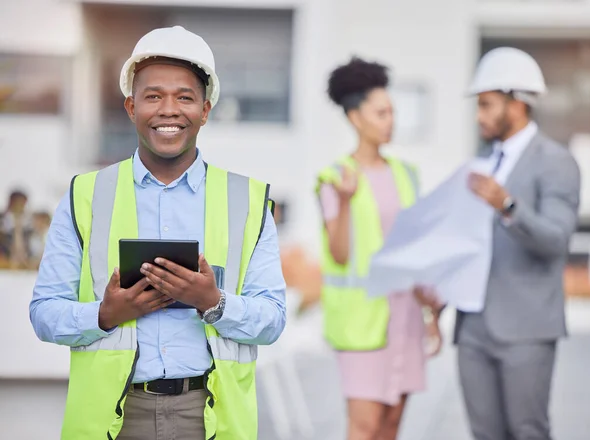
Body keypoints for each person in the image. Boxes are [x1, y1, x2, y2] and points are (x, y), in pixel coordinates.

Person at [29, 26, 286, 440]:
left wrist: (212, 302)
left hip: (209, 417)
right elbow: (44, 313)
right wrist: (105, 314)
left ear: (205, 110)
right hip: (113, 419)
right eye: (153, 96)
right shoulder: (85, 195)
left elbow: (273, 320)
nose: (169, 110)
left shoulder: (249, 201)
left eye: (185, 97)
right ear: (131, 107)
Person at [455, 47, 581, 440]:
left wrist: (507, 205)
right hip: (473, 328)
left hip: (525, 331)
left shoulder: (555, 161)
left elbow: (557, 239)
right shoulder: (483, 161)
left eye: (487, 104)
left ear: (516, 103)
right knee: (485, 434)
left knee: (527, 431)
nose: (479, 115)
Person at [316, 57, 443, 440]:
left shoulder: (406, 174)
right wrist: (344, 201)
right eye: (381, 112)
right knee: (365, 427)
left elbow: (414, 249)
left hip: (404, 317)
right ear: (356, 118)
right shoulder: (335, 178)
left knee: (391, 426)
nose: (391, 121)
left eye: (392, 112)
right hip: (362, 323)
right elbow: (339, 255)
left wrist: (431, 311)